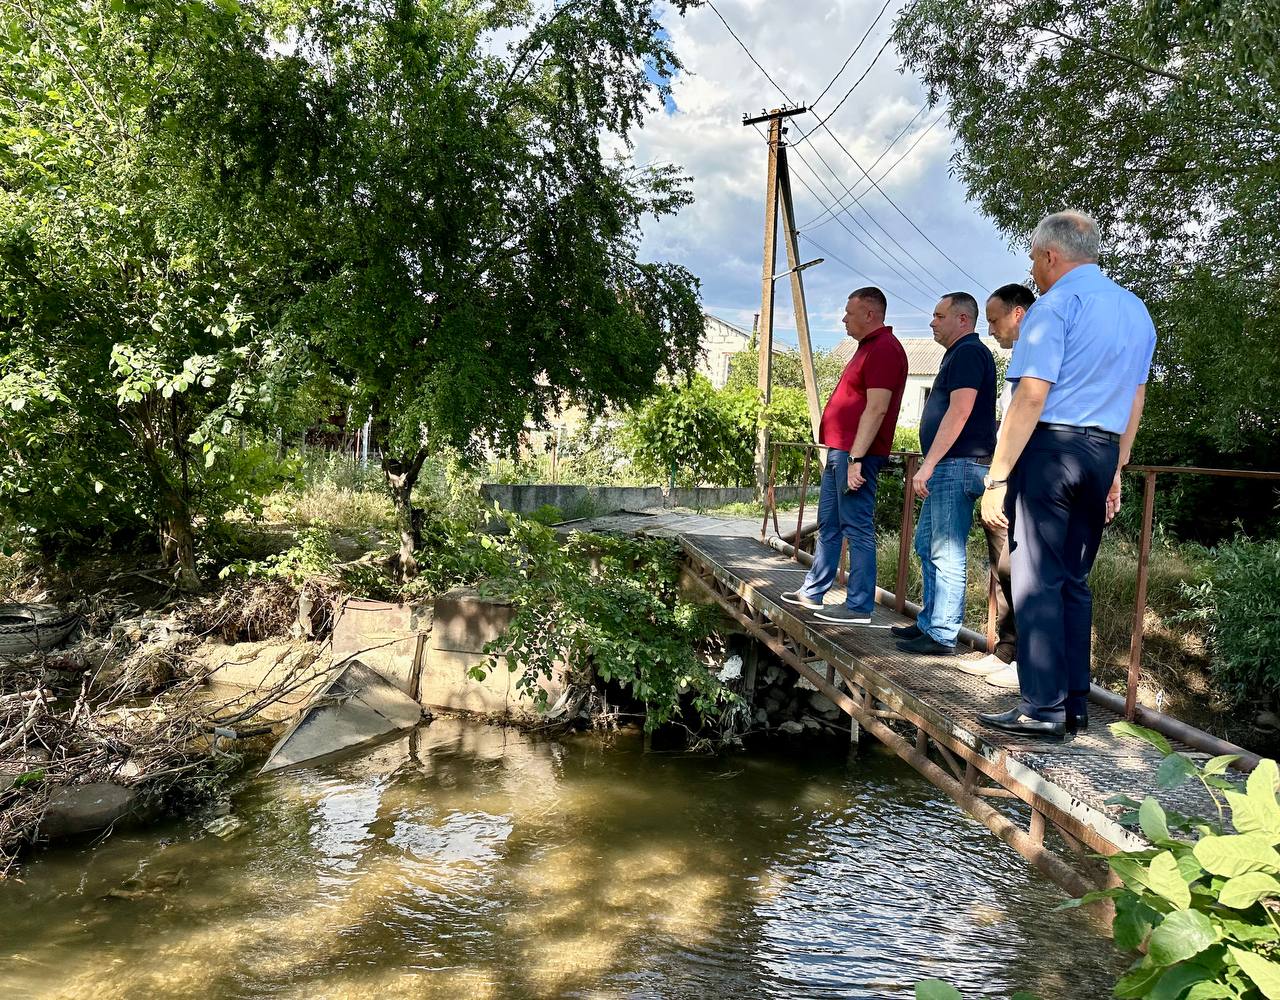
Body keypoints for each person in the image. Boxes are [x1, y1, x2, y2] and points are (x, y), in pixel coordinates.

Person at [978, 212, 1156, 741]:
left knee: (1035, 579)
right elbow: (1136, 398)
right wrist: (1117, 468)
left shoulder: (1054, 307)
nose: (1032, 269)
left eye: (1033, 258)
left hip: (1052, 450)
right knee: (1074, 582)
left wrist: (997, 478)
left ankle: (1041, 706)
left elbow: (1031, 394)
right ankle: (1075, 704)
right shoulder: (1135, 310)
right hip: (1101, 451)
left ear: (1052, 256)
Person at [781, 287, 908, 624]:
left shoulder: (884, 349)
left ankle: (858, 606)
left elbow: (877, 408)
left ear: (870, 314)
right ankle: (814, 591)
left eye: (849, 313)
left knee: (857, 528)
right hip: (842, 452)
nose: (843, 319)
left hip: (856, 456)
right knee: (830, 524)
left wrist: (856, 458)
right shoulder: (867, 348)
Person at [891, 292, 996, 656]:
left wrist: (930, 462)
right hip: (949, 463)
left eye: (939, 315)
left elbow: (960, 411)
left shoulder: (968, 352)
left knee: (947, 551)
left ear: (963, 320)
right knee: (927, 545)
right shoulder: (959, 353)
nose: (932, 322)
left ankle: (942, 634)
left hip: (956, 463)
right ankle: (929, 622)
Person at [956, 283, 1036, 688]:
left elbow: (1027, 414)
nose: (991, 330)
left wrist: (1000, 478)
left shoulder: (1039, 347)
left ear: (1018, 313)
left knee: (1019, 565)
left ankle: (1028, 664)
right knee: (1001, 560)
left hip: (1025, 473)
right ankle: (1006, 652)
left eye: (994, 319)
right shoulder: (1021, 353)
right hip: (1005, 471)